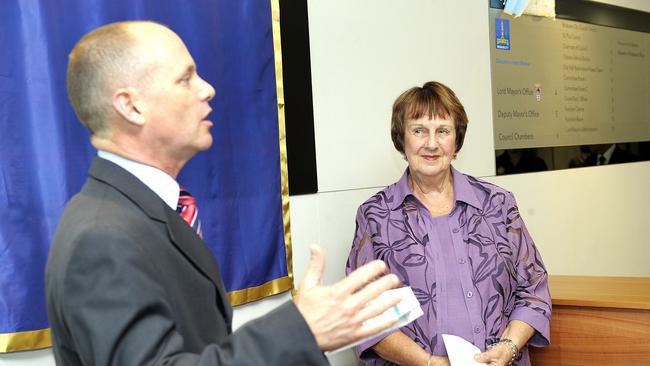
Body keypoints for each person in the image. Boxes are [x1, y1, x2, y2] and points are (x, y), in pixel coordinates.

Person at [46, 21, 401, 366]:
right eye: (185, 78)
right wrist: (301, 329)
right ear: (131, 106)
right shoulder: (102, 238)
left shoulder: (148, 210)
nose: (207, 89)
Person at [346, 81, 551, 366]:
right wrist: (429, 363)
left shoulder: (498, 204)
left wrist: (509, 346)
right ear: (401, 139)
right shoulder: (377, 216)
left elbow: (533, 288)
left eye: (443, 131)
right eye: (419, 131)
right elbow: (367, 315)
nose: (431, 143)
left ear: (456, 140)